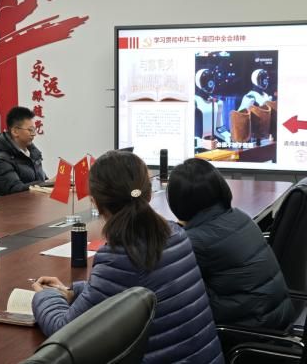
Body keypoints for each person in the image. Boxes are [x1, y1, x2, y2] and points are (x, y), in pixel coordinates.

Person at [31, 151, 223, 363]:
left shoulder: (122, 256)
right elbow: (129, 287)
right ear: (148, 195)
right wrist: (74, 292)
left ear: (95, 202)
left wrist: (47, 296)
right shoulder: (175, 233)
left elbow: (64, 331)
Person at [166, 158, 294, 330]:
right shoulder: (238, 216)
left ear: (178, 202)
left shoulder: (197, 241)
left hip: (247, 329)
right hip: (274, 318)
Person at [0, 106, 47, 196]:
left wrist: (52, 183)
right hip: (14, 204)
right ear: (15, 131)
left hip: (35, 201)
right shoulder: (0, 159)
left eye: (34, 130)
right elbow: (15, 190)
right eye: (30, 130)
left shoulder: (33, 153)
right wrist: (47, 183)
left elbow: (43, 180)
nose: (34, 134)